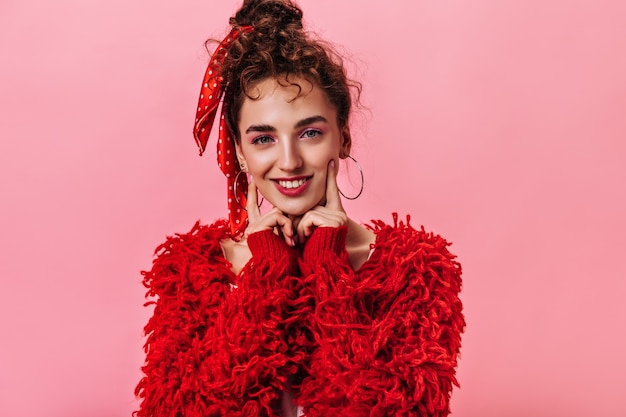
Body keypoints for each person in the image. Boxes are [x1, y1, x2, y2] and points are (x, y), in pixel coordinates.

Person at [134, 1, 465, 416]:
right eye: (262, 139)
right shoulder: (190, 268)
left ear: (343, 137)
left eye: (309, 132)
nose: (289, 161)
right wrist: (267, 277)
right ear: (238, 152)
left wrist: (329, 272)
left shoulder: (416, 269)